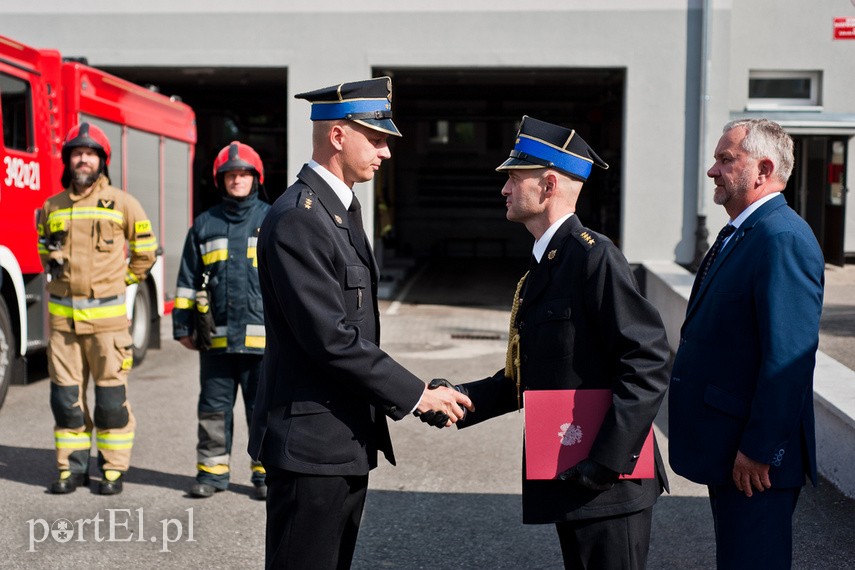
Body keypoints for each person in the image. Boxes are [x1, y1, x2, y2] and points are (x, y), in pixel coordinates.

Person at [248, 76, 473, 570]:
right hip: (311, 447)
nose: (386, 153)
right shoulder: (299, 217)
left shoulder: (339, 209)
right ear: (337, 136)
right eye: (375, 139)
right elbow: (331, 338)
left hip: (342, 440)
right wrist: (417, 395)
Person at [438, 116, 671, 570]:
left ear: (548, 186)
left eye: (513, 179)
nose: (504, 189)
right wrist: (460, 399)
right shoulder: (548, 264)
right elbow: (533, 375)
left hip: (609, 485)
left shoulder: (593, 256)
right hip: (574, 476)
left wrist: (606, 462)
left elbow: (647, 360)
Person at [668, 119, 824, 569]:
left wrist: (759, 450)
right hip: (730, 448)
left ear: (763, 169)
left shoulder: (782, 239)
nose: (713, 171)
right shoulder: (744, 231)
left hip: (756, 462)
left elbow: (789, 360)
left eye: (725, 159)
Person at [37, 122, 158, 495]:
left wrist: (119, 284)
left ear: (102, 161)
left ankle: (112, 470)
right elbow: (43, 248)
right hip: (63, 324)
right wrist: (52, 258)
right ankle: (70, 469)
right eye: (77, 153)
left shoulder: (123, 203)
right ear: (68, 160)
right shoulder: (51, 206)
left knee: (109, 402)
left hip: (108, 325)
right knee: (65, 400)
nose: (83, 159)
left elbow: (145, 252)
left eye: (90, 153)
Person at [173, 141, 271, 500]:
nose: (237, 179)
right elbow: (187, 278)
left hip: (264, 343)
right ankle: (212, 474)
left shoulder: (273, 219)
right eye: (231, 174)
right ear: (221, 180)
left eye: (244, 173)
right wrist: (183, 326)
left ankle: (266, 475)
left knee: (264, 410)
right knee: (213, 409)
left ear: (255, 178)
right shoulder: (204, 224)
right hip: (215, 340)